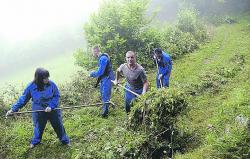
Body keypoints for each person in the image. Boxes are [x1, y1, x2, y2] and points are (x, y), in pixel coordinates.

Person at [5, 68, 70, 148]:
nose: (47, 79)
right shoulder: (31, 87)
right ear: (39, 79)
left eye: (47, 77)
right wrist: (13, 109)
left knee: (58, 125)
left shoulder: (51, 84)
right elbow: (23, 99)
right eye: (45, 78)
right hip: (38, 110)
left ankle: (65, 141)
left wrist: (51, 106)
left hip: (53, 109)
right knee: (38, 127)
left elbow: (56, 95)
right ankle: (35, 142)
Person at [90, 46, 115, 117]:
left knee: (105, 95)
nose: (92, 53)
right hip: (103, 79)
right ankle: (105, 107)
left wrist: (92, 73)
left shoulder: (103, 58)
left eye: (92, 52)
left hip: (108, 78)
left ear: (95, 51)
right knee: (102, 94)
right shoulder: (101, 57)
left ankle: (105, 114)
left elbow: (100, 72)